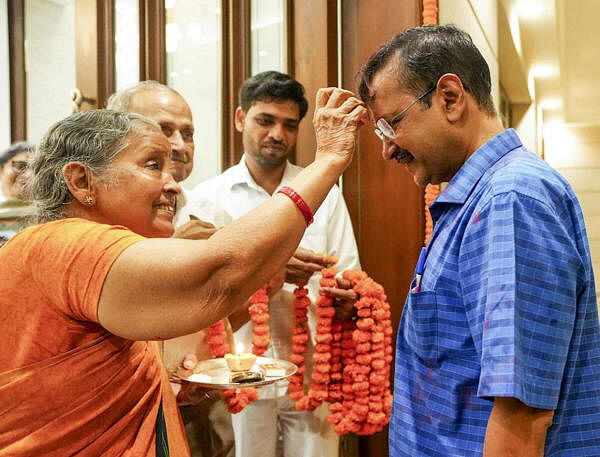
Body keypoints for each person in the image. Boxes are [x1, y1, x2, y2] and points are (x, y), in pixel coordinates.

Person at [0, 94, 366, 457]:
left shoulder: (77, 248)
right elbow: (219, 278)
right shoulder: (65, 243)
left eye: (172, 168)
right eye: (153, 165)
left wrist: (167, 377)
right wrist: (329, 160)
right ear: (81, 181)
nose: (173, 185)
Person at [357, 24, 600, 456]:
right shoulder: (477, 200)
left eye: (393, 124)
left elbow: (522, 415)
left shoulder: (510, 199)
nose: (388, 149)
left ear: (449, 98)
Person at [194, 71, 360, 457]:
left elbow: (349, 273)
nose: (277, 134)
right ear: (240, 119)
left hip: (312, 368)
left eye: (288, 125)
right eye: (265, 120)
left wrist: (346, 292)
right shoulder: (208, 200)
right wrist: (273, 269)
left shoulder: (324, 193)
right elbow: (202, 294)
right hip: (237, 371)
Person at [108, 80, 237, 457]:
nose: (179, 145)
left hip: (203, 405)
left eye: (188, 133)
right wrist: (178, 253)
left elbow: (227, 318)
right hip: (127, 412)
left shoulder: (211, 213)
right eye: (164, 130)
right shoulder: (103, 219)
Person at [0, 142, 35, 244]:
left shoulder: (51, 217)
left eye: (36, 169)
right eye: (20, 166)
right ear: (1, 171)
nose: (29, 175)